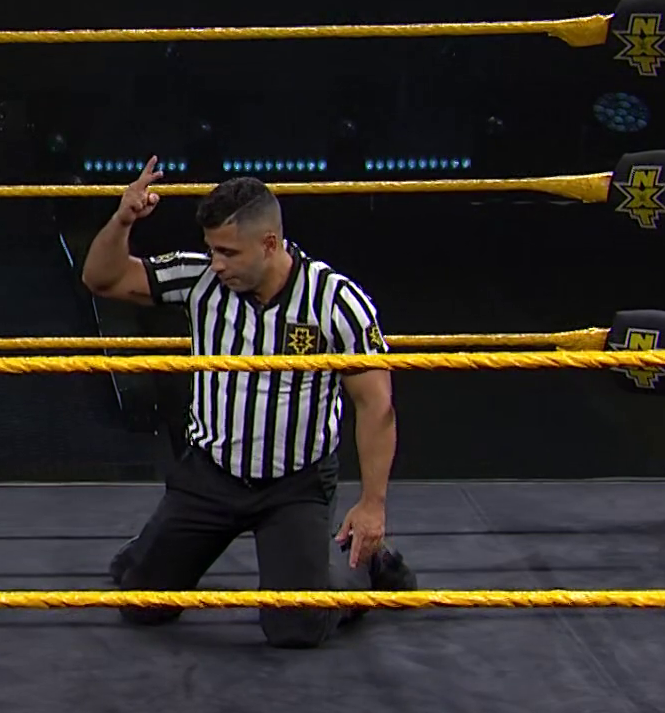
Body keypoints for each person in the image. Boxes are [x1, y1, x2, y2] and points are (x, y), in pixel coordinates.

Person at [80, 159, 417, 648]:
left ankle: (365, 566)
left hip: (295, 484)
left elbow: (376, 405)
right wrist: (122, 220)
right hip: (210, 475)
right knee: (142, 603)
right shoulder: (202, 279)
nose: (217, 263)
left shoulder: (335, 302)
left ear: (270, 244)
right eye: (212, 250)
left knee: (296, 628)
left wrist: (372, 506)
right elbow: (101, 279)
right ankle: (159, 546)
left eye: (228, 252)